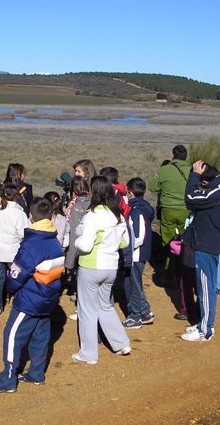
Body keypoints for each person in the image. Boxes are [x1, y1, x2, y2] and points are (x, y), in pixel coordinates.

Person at [0, 198, 64, 393]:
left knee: (11, 335)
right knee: (40, 336)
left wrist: (11, 290)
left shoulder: (32, 244)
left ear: (30, 217)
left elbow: (17, 274)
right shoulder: (54, 240)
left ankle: (8, 379)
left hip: (29, 299)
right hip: (49, 298)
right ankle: (36, 373)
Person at [72, 176, 131, 363]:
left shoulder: (92, 216)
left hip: (91, 267)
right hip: (111, 267)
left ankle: (88, 353)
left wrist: (77, 239)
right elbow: (125, 242)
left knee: (87, 310)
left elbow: (85, 245)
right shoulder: (118, 215)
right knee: (105, 305)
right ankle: (121, 343)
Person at [180, 162, 220, 342]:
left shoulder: (216, 191)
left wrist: (193, 175)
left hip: (206, 245)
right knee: (204, 286)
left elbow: (190, 198)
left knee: (206, 288)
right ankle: (204, 322)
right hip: (207, 243)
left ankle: (205, 330)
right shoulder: (219, 190)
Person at [147, 145, 190, 291]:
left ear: (173, 155)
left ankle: (169, 273)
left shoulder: (165, 170)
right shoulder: (191, 170)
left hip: (168, 210)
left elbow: (152, 187)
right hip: (186, 209)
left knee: (167, 241)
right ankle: (185, 270)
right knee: (186, 240)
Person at [0, 185, 31, 316]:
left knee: (0, 278)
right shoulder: (19, 213)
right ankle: (16, 301)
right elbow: (24, 233)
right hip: (14, 252)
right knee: (17, 277)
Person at [122, 178, 156, 329]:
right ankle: (145, 312)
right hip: (138, 254)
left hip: (136, 254)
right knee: (136, 284)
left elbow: (138, 236)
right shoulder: (142, 207)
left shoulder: (137, 211)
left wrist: (126, 247)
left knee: (133, 286)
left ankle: (135, 317)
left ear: (130, 193)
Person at [63, 176, 91, 307]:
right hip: (91, 247)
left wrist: (69, 260)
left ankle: (80, 301)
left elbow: (73, 231)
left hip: (77, 246)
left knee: (79, 274)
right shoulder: (92, 201)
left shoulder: (75, 206)